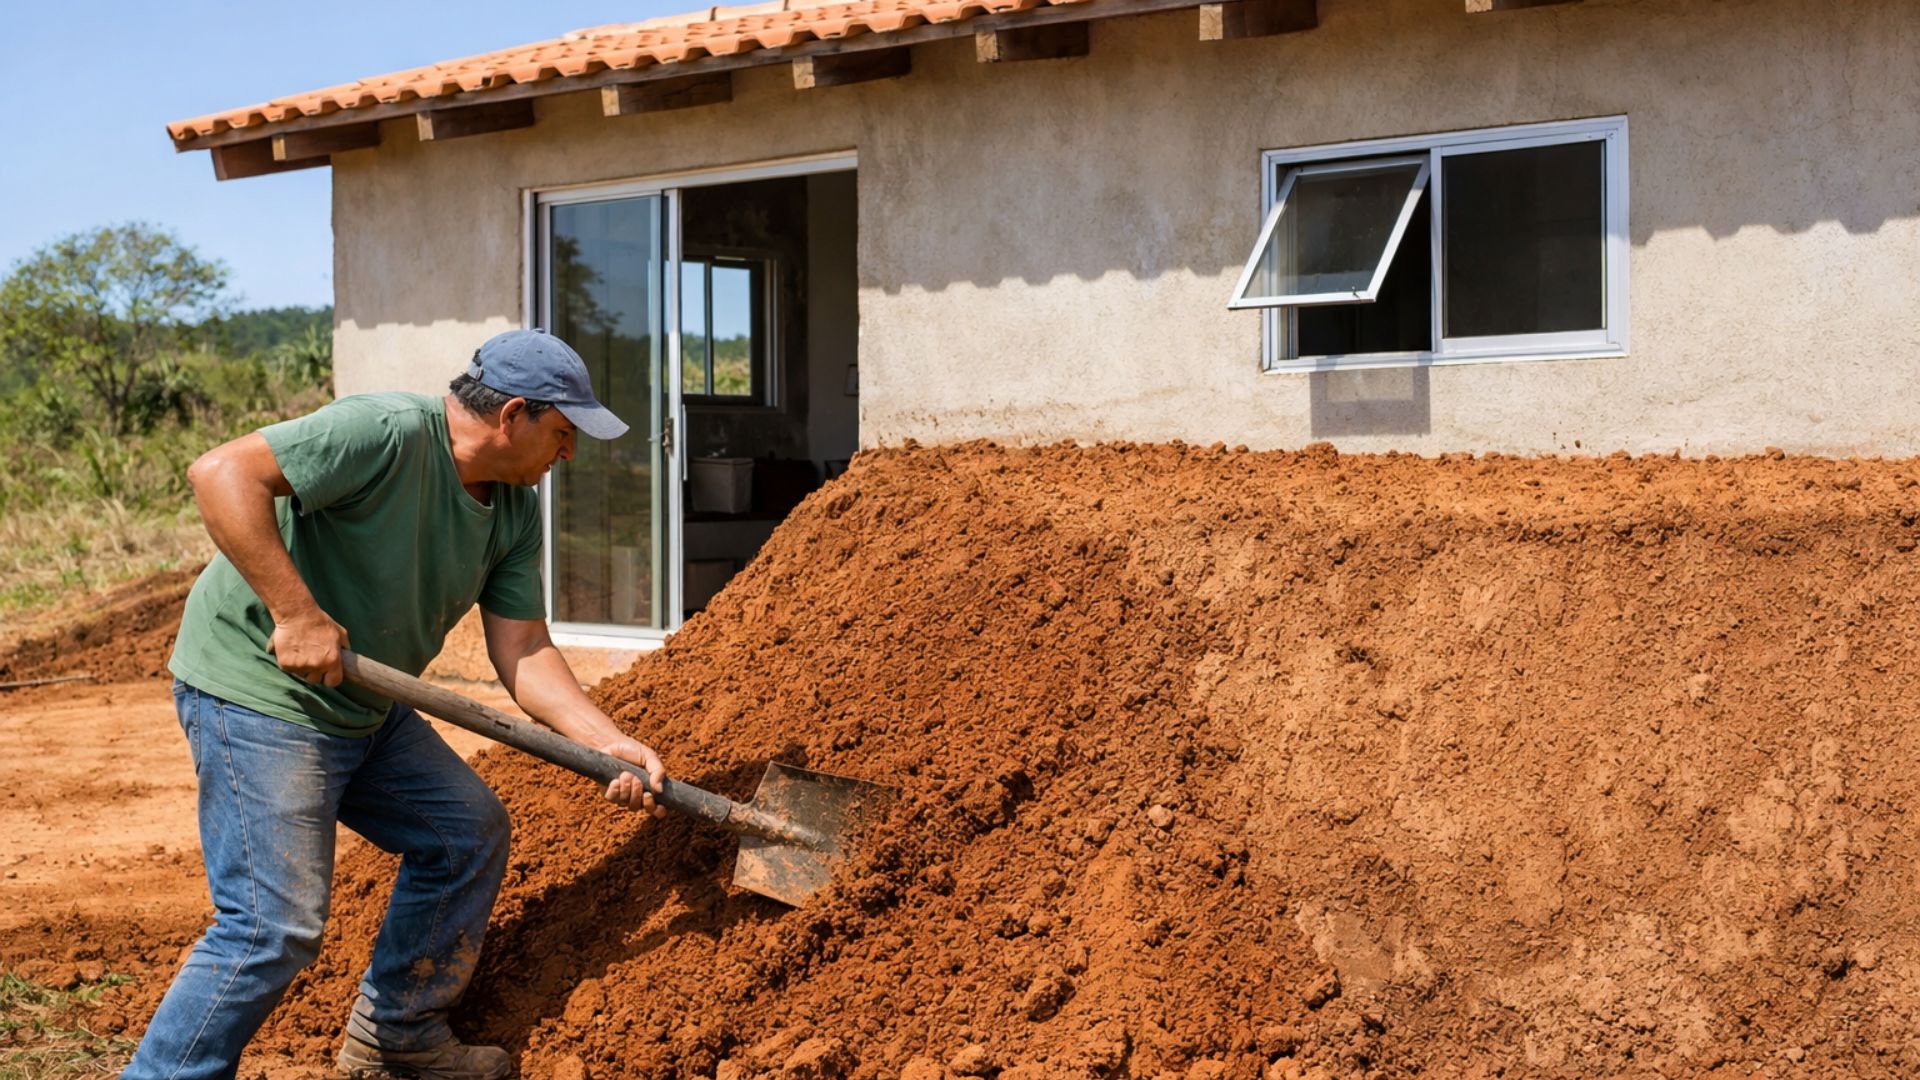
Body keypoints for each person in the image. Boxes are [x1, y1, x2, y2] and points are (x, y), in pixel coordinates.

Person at [123, 329, 667, 1080]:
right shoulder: (383, 432)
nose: (568, 455)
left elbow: (525, 652)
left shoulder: (512, 511)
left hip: (363, 702)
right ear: (513, 414)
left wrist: (603, 737)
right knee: (270, 928)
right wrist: (295, 613)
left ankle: (396, 1037)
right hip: (260, 692)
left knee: (462, 834)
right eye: (563, 433)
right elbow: (219, 474)